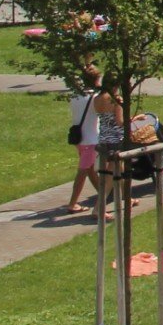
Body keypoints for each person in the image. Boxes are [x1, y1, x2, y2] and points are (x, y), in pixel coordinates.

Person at [65, 63, 118, 213]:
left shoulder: (75, 95)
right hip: (91, 139)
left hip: (78, 139)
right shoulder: (94, 98)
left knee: (89, 169)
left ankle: (106, 195)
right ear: (96, 80)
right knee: (83, 171)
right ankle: (73, 203)